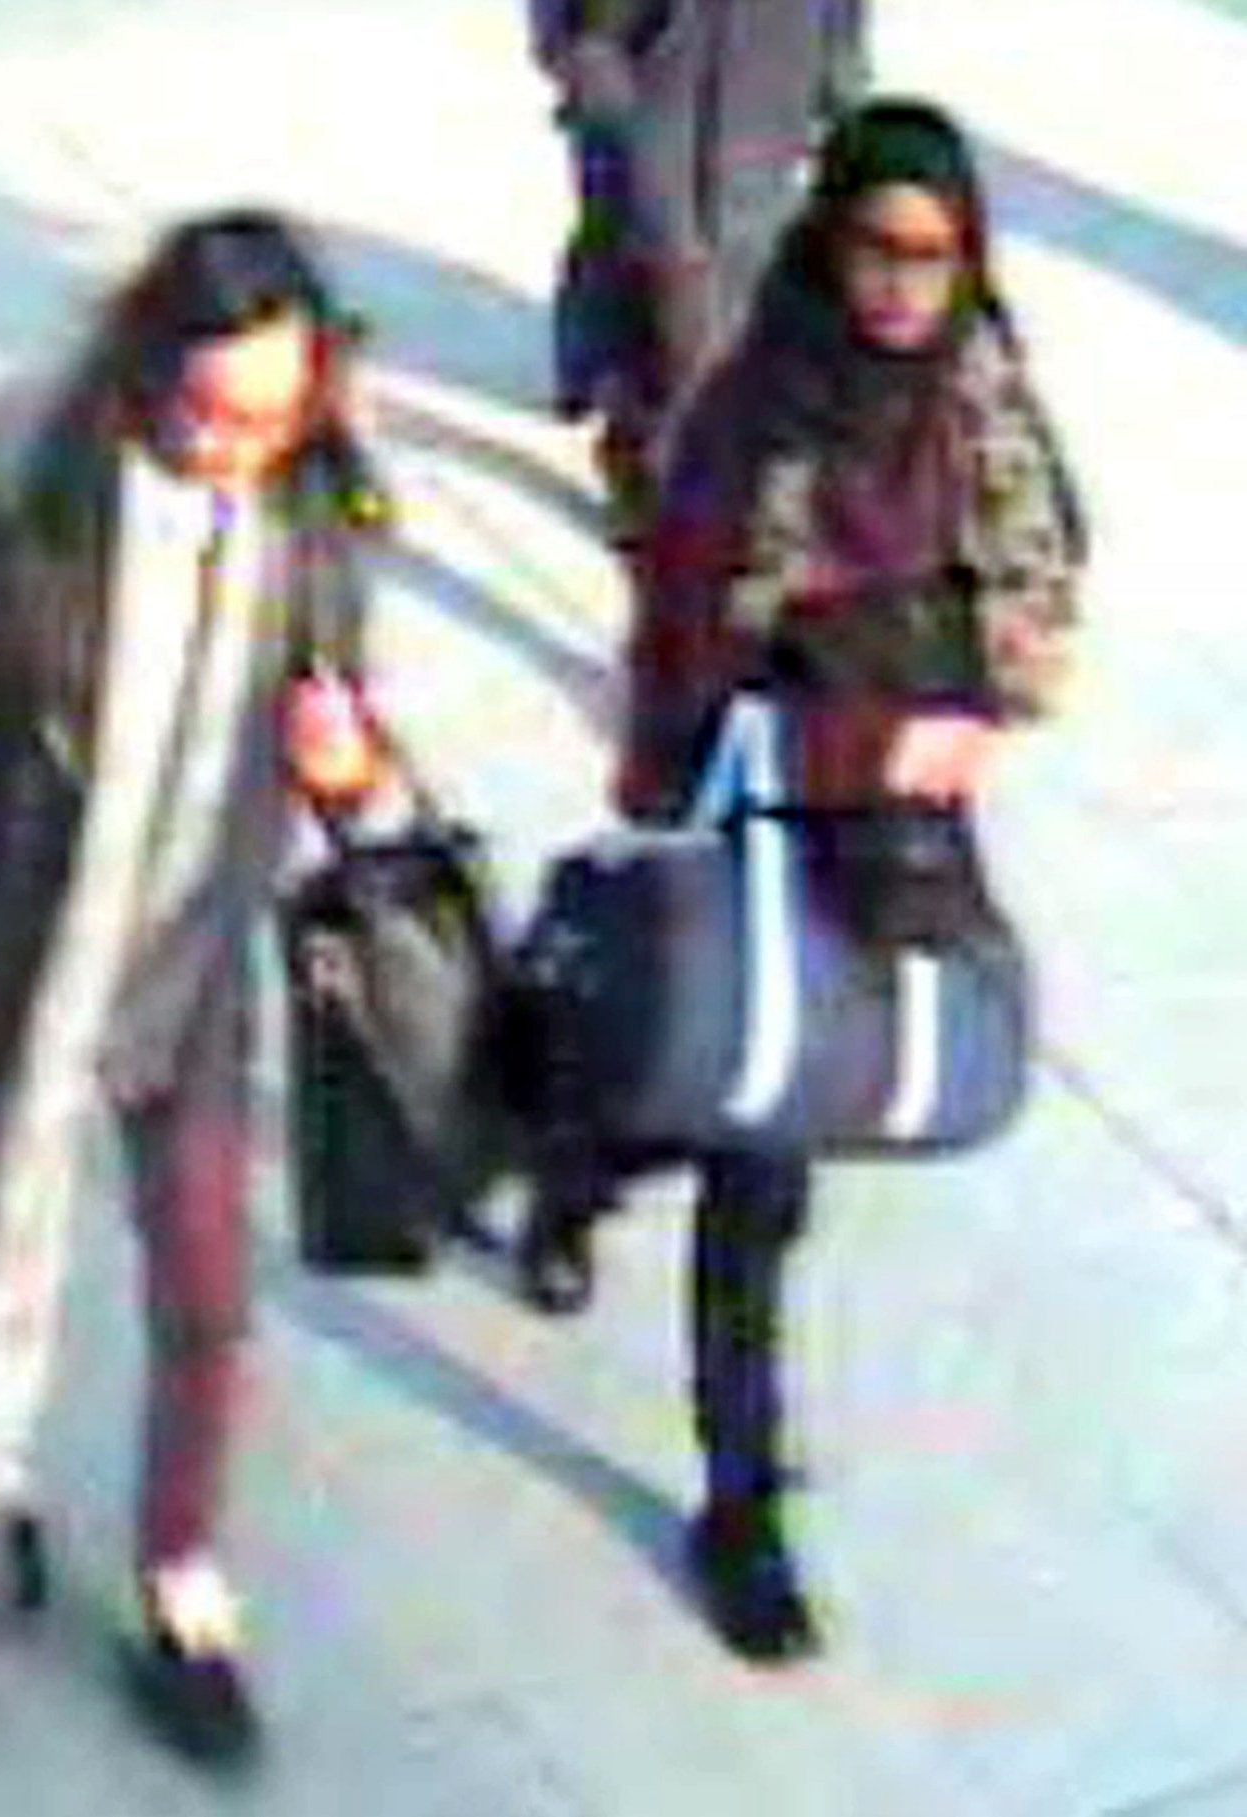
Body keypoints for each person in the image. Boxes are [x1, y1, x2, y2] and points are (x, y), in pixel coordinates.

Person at [0, 209, 398, 1769]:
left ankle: (179, 1577)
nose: (231, 449)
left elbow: (348, 751)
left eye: (267, 416)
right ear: (145, 374)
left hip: (188, 983)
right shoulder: (42, 514)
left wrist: (350, 771)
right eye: (205, 413)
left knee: (206, 1300)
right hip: (24, 963)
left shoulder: (318, 512)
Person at [517, 99, 1083, 1664]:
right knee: (746, 1133)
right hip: (758, 803)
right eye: (875, 247)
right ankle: (739, 1498)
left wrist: (976, 708)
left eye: (935, 254)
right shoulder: (750, 408)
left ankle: (578, 1163)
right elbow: (689, 635)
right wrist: (809, 732)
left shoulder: (982, 402)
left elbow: (1040, 601)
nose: (902, 284)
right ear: (825, 240)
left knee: (778, 1118)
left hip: (899, 829)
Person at [532, 0, 868, 538]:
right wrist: (576, 49)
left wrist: (840, 62)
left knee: (741, 261)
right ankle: (649, 447)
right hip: (642, 58)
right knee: (657, 250)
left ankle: (700, 443)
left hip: (770, 66)